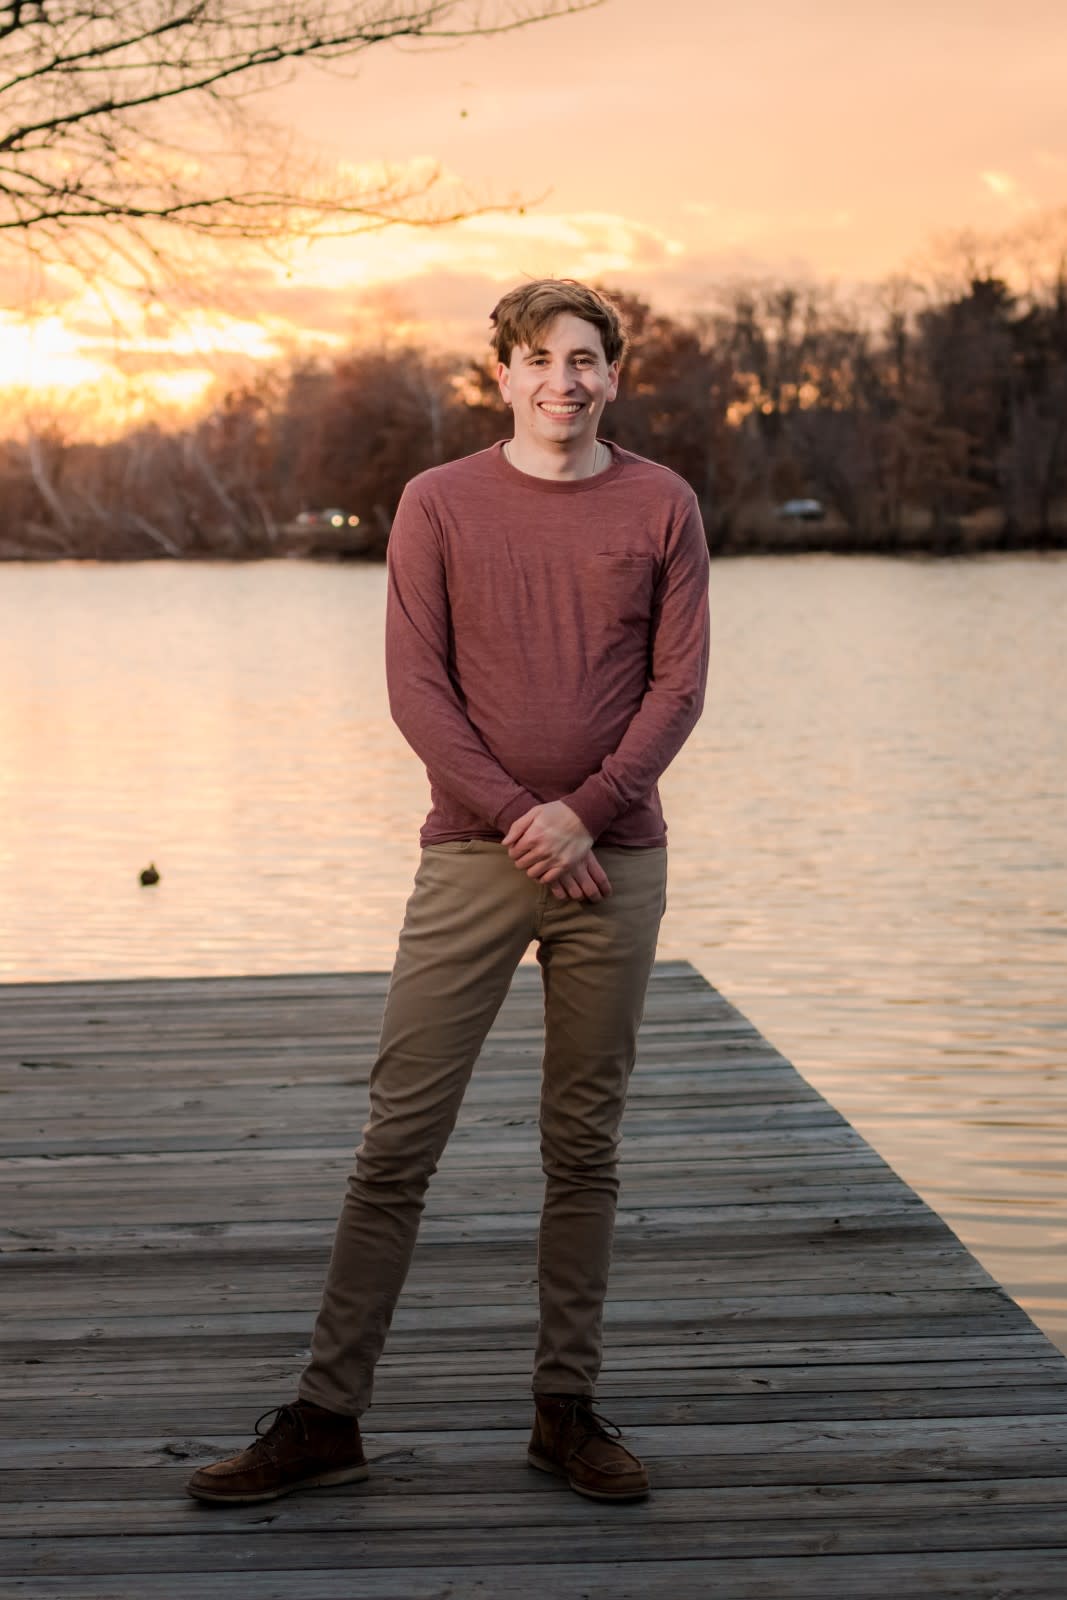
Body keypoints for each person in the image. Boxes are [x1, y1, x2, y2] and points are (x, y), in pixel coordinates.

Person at [187, 278, 710, 1508]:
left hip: (613, 860)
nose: (561, 382)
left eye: (585, 359)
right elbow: (416, 693)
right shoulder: (436, 504)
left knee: (582, 1146)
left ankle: (563, 1410)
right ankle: (325, 1415)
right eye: (537, 359)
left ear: (613, 376)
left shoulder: (664, 505)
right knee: (396, 1143)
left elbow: (676, 690)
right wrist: (526, 821)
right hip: (472, 857)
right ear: (501, 377)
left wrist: (584, 810)